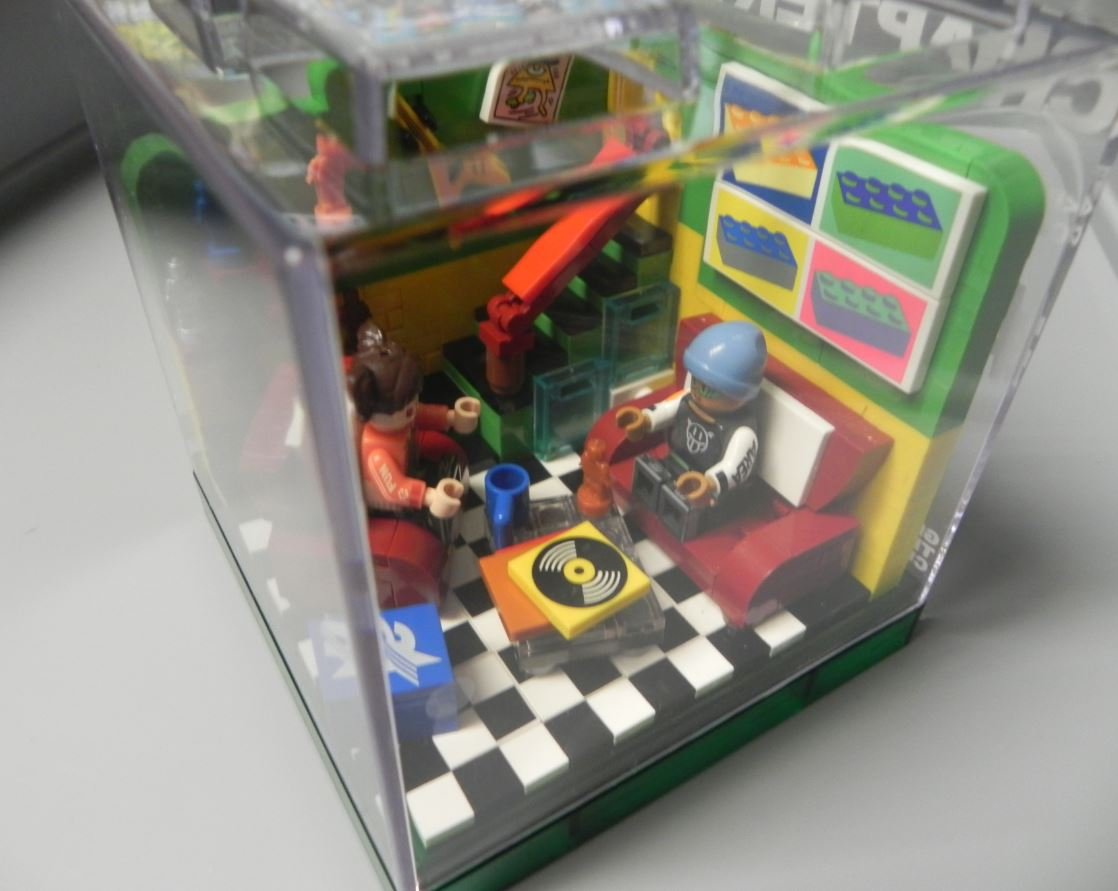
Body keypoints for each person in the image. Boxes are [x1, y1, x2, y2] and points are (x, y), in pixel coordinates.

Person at [616, 321, 766, 540]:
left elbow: (734, 467)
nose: (696, 392)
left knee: (691, 512)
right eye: (695, 381)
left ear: (739, 394)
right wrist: (644, 420)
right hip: (674, 463)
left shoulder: (741, 431)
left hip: (707, 491)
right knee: (651, 482)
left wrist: (710, 484)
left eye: (707, 389)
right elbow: (665, 409)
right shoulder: (688, 400)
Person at [348, 323, 480, 519]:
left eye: (413, 399)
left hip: (413, 467)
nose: (412, 409)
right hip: (392, 507)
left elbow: (420, 414)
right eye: (405, 407)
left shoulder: (400, 420)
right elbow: (394, 488)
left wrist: (453, 417)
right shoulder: (377, 452)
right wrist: (430, 497)